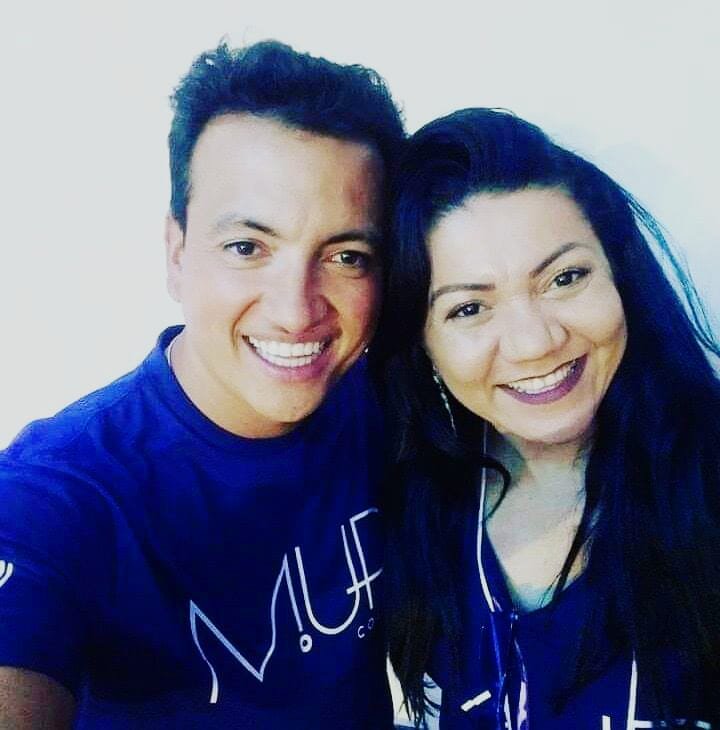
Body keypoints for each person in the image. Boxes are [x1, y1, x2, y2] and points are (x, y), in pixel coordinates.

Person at [0, 41, 404, 728]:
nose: (295, 309)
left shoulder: (391, 411)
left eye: (346, 256)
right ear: (177, 253)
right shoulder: (62, 490)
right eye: (247, 248)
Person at [380, 108, 720, 728]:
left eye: (565, 278)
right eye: (468, 309)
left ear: (620, 277)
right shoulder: (413, 508)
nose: (534, 342)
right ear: (421, 345)